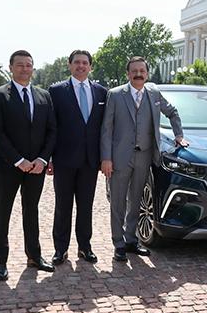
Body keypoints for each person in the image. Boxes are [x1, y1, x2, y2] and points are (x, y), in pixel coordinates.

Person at [100, 56, 188, 261]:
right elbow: (106, 129)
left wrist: (179, 135)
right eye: (134, 71)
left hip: (144, 156)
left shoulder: (154, 93)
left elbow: (172, 112)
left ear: (147, 73)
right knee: (118, 202)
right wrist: (106, 158)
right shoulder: (115, 95)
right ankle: (118, 243)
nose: (138, 74)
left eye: (142, 70)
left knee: (137, 200)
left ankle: (131, 239)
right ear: (128, 73)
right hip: (119, 157)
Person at [0, 50, 57, 280]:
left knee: (32, 211)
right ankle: (1, 262)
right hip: (9, 166)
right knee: (2, 212)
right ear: (11, 67)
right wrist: (18, 160)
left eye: (29, 65)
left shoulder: (44, 96)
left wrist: (42, 159)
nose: (25, 69)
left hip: (36, 167)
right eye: (20, 65)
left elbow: (52, 131)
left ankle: (34, 256)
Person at [47, 50, 107, 265]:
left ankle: (85, 247)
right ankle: (60, 249)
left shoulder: (101, 92)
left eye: (85, 63)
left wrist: (104, 157)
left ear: (90, 66)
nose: (81, 66)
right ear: (69, 65)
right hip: (63, 159)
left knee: (86, 206)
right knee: (63, 206)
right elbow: (51, 127)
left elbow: (104, 129)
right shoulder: (56, 91)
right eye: (77, 62)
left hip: (90, 161)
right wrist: (49, 158)